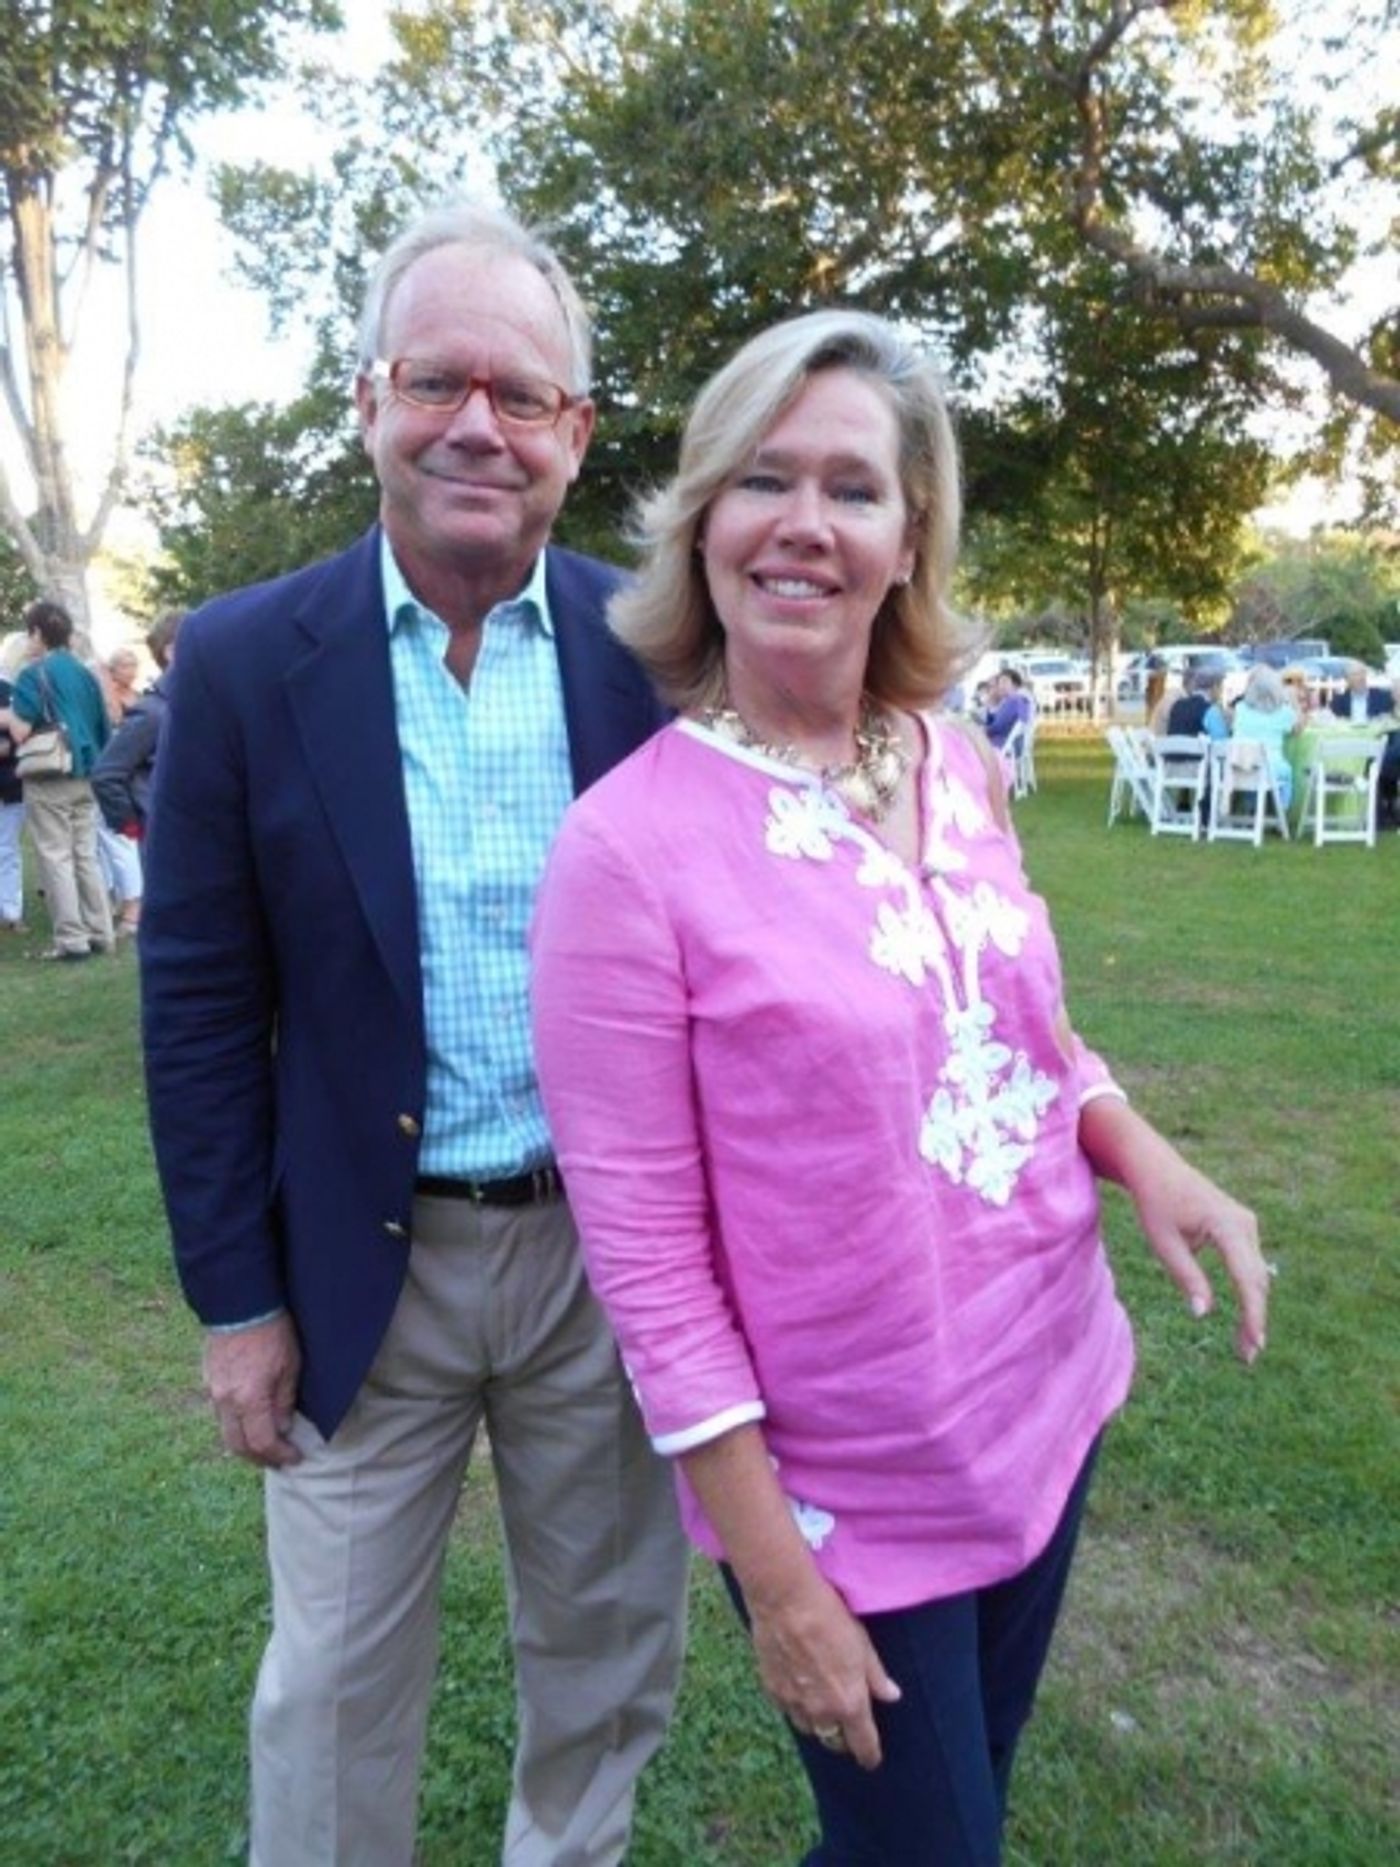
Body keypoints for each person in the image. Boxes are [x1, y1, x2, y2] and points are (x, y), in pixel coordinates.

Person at [530, 309, 1270, 1867]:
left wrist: (1146, 1156)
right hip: (844, 1486)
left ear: (908, 533)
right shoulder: (627, 850)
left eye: (852, 488)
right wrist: (779, 1575)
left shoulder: (959, 759)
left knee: (940, 1829)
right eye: (759, 479)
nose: (802, 523)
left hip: (1046, 1382)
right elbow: (651, 1269)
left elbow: (1024, 1035)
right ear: (702, 522)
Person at [140, 200, 687, 1867]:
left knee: (602, 1662)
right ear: (370, 401)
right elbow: (201, 1000)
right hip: (354, 1273)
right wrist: (238, 1303)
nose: (476, 422)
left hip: (604, 1265)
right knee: (331, 1688)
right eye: (436, 378)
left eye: (520, 394)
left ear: (576, 435)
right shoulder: (243, 659)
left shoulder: (653, 654)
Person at [1, 599, 113, 960]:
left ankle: (71, 940)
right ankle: (101, 931)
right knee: (86, 855)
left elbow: (20, 730)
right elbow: (103, 726)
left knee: (55, 856)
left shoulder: (34, 673)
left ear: (38, 634)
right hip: (86, 772)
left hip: (50, 775)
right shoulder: (85, 672)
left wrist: (5, 716)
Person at [92, 611, 185, 840]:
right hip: (167, 840)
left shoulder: (194, 705)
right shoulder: (153, 713)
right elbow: (106, 774)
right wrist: (135, 826)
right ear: (171, 652)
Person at [94, 644, 147, 935]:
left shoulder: (139, 697)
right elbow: (113, 721)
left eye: (133, 664)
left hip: (132, 777)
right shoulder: (110, 696)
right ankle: (120, 899)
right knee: (111, 838)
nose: (131, 671)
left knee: (123, 839)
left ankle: (132, 905)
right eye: (125, 665)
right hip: (114, 773)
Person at [1230, 663, 1302, 809]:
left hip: (1239, 764)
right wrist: (1294, 702)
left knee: (1254, 773)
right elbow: (1297, 730)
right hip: (1269, 766)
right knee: (1286, 771)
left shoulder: (1241, 708)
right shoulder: (1282, 712)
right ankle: (1281, 810)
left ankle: (1252, 810)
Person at [1165, 667, 1230, 740]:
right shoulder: (1211, 711)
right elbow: (1222, 743)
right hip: (1197, 751)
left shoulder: (1176, 705)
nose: (1221, 692)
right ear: (1215, 687)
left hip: (1171, 751)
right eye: (1221, 687)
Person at [1328, 658, 1393, 724]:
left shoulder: (1383, 697)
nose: (1360, 678)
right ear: (1347, 679)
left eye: (1362, 673)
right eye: (1354, 675)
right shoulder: (1338, 701)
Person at [982, 665, 1031, 749]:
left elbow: (997, 727)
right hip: (1010, 743)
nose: (1001, 686)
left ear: (1015, 685)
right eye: (1000, 683)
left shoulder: (1013, 700)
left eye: (1005, 682)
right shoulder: (1016, 699)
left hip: (1003, 744)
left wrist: (979, 730)